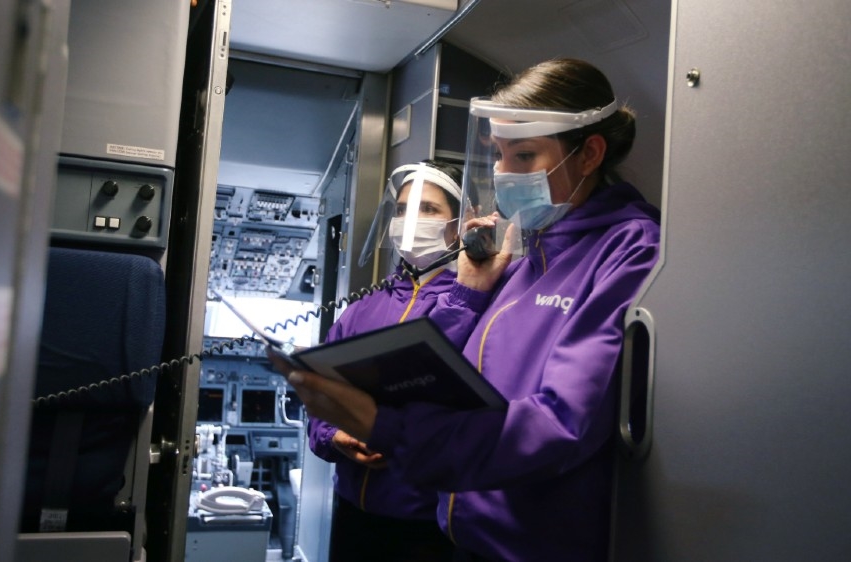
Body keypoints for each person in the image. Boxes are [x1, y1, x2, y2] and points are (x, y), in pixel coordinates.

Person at [271, 57, 661, 561]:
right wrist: (472, 290)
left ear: (589, 154)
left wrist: (387, 427)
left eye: (522, 155)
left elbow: (562, 423)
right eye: (498, 156)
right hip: (465, 537)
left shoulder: (627, 250)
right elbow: (445, 380)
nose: (503, 174)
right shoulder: (524, 255)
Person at [309, 159, 466, 562]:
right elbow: (321, 394)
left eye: (427, 209)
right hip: (352, 512)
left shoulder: (471, 306)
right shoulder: (362, 310)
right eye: (401, 210)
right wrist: (333, 437)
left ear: (461, 221)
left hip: (425, 524)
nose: (409, 220)